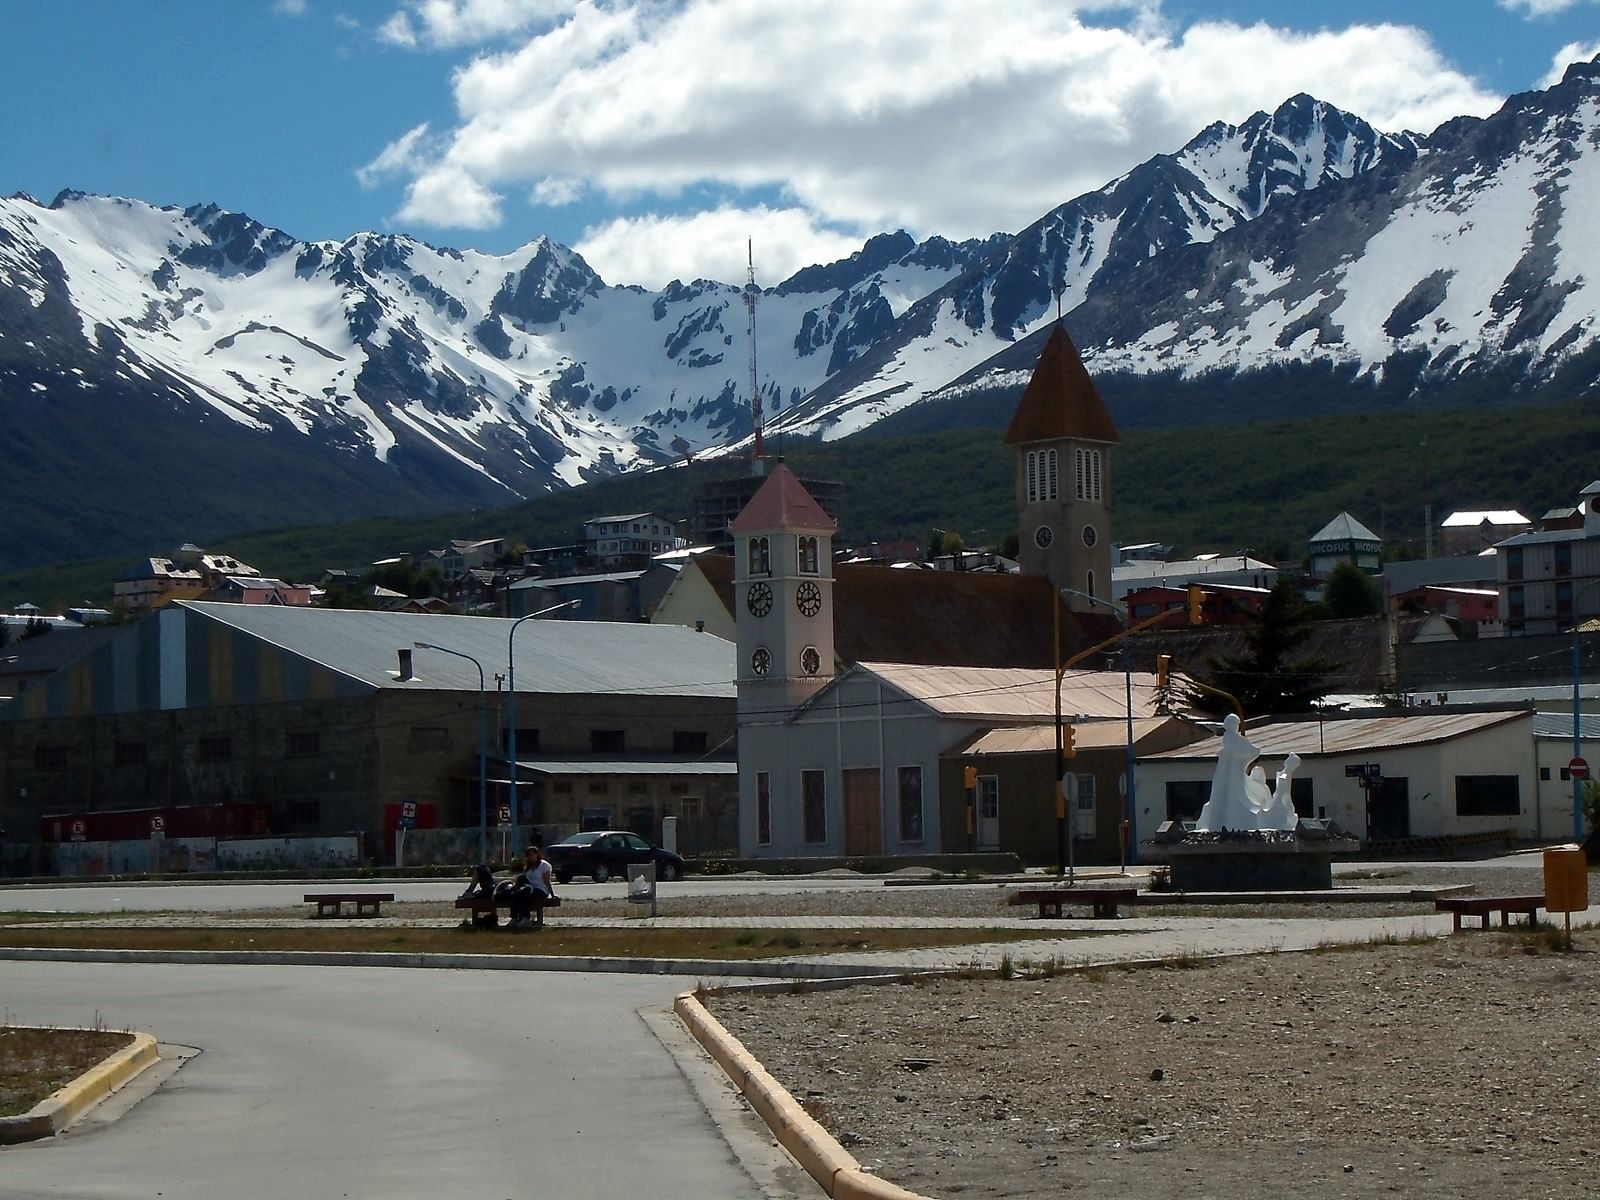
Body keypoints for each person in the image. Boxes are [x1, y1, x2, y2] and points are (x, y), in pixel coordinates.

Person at [509, 844, 557, 929]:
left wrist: (552, 894)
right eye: (528, 856)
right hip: (529, 888)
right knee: (515, 894)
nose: (530, 858)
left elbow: (546, 881)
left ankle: (526, 918)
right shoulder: (529, 866)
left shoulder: (544, 865)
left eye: (532, 855)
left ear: (537, 854)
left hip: (541, 889)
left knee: (524, 894)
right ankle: (514, 918)